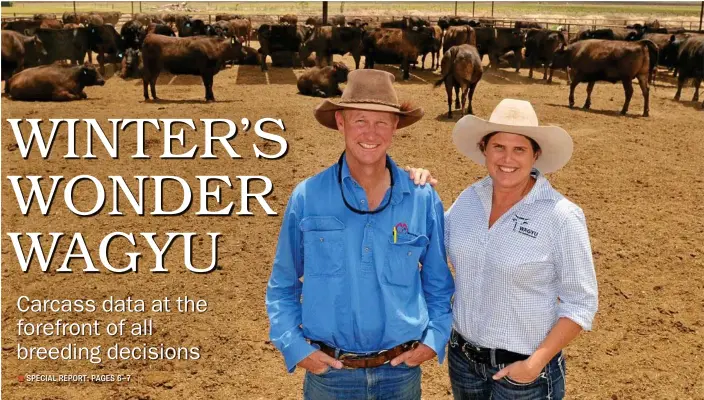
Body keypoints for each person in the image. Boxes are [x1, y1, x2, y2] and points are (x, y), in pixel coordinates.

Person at [265, 69, 455, 400]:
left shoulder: (422, 197)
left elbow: (439, 284)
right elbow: (282, 286)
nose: (371, 132)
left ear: (396, 125)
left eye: (382, 121)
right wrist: (294, 346)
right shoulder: (307, 197)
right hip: (330, 375)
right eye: (360, 120)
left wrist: (434, 338)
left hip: (400, 373)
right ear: (340, 122)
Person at [409, 99, 598, 399]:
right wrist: (417, 194)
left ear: (536, 154)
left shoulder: (561, 216)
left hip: (524, 373)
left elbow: (580, 303)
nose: (507, 158)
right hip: (464, 361)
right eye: (498, 147)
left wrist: (534, 364)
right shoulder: (470, 199)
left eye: (519, 149)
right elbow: (431, 245)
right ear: (484, 148)